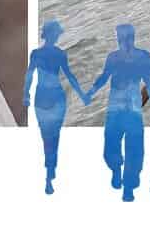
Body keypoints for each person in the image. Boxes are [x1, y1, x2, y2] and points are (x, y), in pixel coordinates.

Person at [88, 25, 150, 202]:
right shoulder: (113, 58)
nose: (124, 42)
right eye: (121, 38)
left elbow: (149, 83)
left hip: (133, 111)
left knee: (134, 150)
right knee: (110, 147)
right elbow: (104, 77)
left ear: (133, 38)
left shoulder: (143, 57)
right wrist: (90, 92)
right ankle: (115, 169)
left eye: (127, 38)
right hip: (115, 109)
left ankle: (128, 187)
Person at [24, 20, 89, 194]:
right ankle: (49, 175)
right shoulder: (53, 54)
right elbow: (31, 76)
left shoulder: (39, 54)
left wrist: (26, 94)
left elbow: (32, 76)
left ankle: (49, 175)